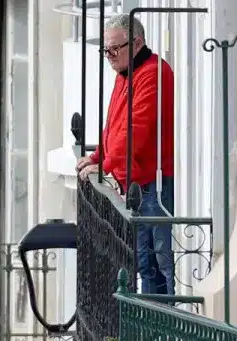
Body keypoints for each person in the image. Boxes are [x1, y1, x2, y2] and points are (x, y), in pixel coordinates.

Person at [78, 14, 177, 295]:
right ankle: (153, 331)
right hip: (137, 182)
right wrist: (99, 156)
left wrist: (105, 164)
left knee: (161, 260)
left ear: (136, 44)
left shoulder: (153, 73)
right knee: (145, 261)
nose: (108, 56)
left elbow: (136, 129)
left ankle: (165, 330)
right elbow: (116, 123)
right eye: (105, 49)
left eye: (113, 49)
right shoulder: (127, 72)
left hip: (154, 183)